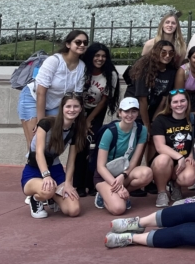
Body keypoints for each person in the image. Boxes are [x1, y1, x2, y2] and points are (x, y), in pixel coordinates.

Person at [21, 91, 87, 219]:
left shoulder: (76, 130)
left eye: (76, 106)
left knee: (73, 210)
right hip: (35, 169)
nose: (72, 110)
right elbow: (39, 152)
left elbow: (71, 161)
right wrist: (46, 176)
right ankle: (36, 199)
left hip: (55, 169)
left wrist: (68, 183)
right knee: (48, 190)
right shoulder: (46, 123)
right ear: (62, 108)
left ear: (80, 109)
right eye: (68, 106)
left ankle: (53, 198)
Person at [94, 97, 153, 215]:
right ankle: (106, 194)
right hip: (105, 175)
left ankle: (121, 193)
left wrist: (123, 175)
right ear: (120, 113)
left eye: (134, 111)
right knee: (118, 209)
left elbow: (134, 161)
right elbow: (100, 167)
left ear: (138, 113)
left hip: (124, 172)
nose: (130, 115)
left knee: (147, 173)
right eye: (126, 111)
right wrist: (118, 186)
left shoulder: (141, 130)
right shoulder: (110, 131)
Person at [75, 43, 120, 196]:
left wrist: (89, 120)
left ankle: (92, 183)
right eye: (97, 55)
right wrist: (82, 119)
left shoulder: (110, 75)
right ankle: (78, 184)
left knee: (94, 147)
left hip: (96, 112)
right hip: (78, 110)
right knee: (80, 147)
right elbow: (77, 96)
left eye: (103, 56)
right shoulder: (82, 70)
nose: (100, 59)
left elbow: (104, 100)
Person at [150, 89, 195, 207]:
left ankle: (176, 186)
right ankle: (162, 192)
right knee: (163, 160)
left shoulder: (194, 120)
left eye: (182, 101)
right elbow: (160, 146)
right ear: (170, 104)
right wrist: (179, 157)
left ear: (187, 102)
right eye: (175, 102)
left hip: (184, 160)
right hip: (165, 161)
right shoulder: (160, 120)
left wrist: (191, 155)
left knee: (189, 177)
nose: (179, 104)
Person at [34, 30, 88, 124]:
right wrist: (41, 122)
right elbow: (41, 92)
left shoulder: (82, 66)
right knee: (37, 132)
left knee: (60, 129)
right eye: (78, 42)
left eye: (85, 42)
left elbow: (77, 96)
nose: (82, 45)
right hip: (34, 99)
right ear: (68, 44)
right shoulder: (54, 60)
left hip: (56, 104)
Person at [127, 40, 179, 126]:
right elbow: (142, 100)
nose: (167, 56)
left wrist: (154, 122)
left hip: (154, 109)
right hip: (135, 109)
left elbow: (164, 99)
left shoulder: (171, 72)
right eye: (163, 52)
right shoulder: (144, 69)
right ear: (156, 53)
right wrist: (147, 125)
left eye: (171, 53)